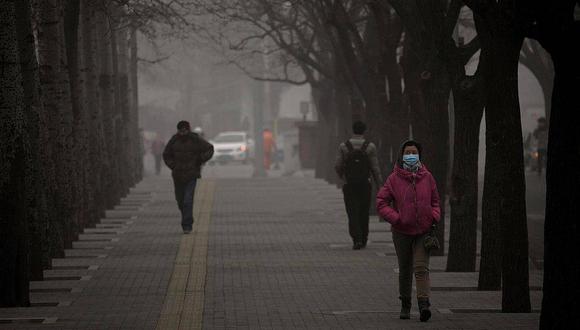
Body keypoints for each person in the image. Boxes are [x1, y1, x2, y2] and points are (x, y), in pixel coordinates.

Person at [376, 140, 440, 322]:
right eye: (407, 152)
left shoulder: (427, 177)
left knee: (421, 268)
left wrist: (434, 215)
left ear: (419, 155)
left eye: (414, 152)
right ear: (402, 155)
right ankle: (405, 303)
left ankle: (423, 305)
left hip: (423, 231)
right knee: (405, 269)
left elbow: (435, 201)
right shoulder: (393, 179)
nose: (411, 155)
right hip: (402, 232)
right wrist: (396, 218)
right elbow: (381, 202)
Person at [334, 121, 382, 250]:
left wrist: (343, 177)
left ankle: (356, 239)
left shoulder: (344, 146)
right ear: (364, 131)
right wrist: (379, 184)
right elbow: (375, 167)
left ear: (353, 130)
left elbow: (338, 165)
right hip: (365, 185)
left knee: (352, 211)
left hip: (349, 185)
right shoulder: (370, 147)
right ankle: (364, 238)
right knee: (363, 211)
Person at [163, 121, 214, 234]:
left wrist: (200, 160)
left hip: (191, 174)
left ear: (188, 129)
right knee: (180, 200)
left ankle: (187, 225)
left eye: (185, 130)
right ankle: (186, 216)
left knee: (188, 200)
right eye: (181, 130)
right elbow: (166, 154)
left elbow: (209, 148)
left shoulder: (195, 139)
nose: (183, 132)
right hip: (178, 175)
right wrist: (173, 165)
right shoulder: (174, 140)